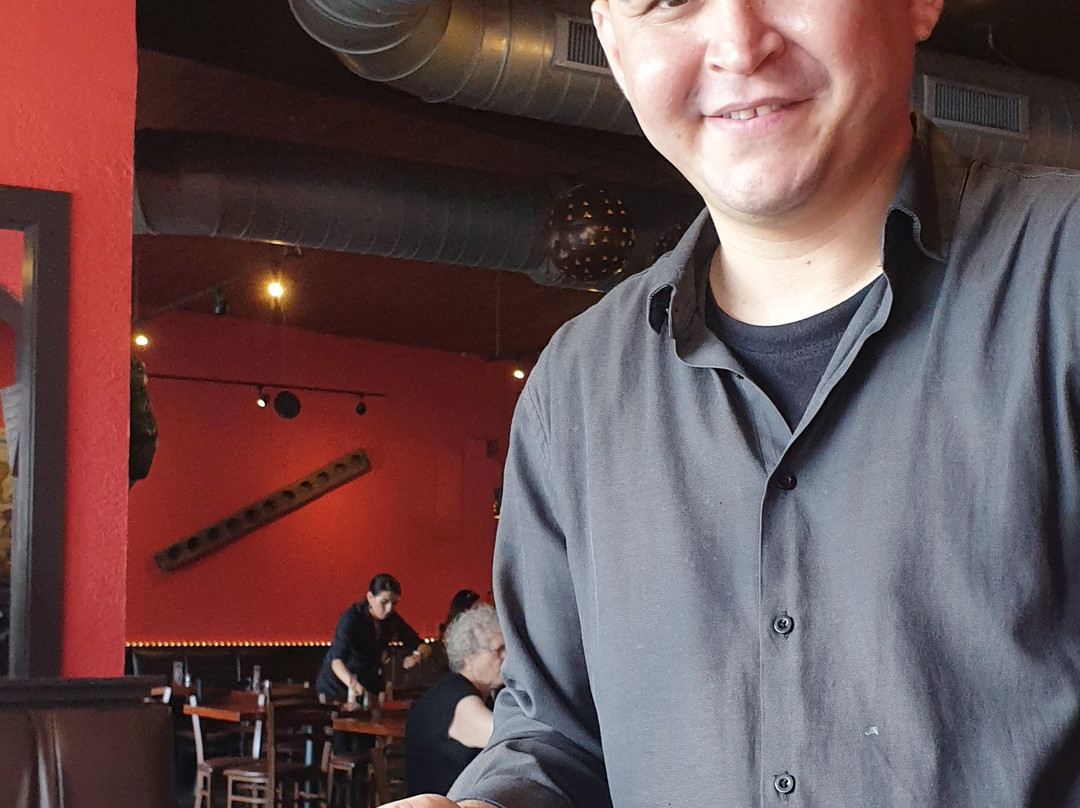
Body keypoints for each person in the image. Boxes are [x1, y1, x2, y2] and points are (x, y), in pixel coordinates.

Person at [386, 0, 1080, 805]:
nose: (740, 45)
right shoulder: (575, 384)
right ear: (614, 41)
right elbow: (555, 736)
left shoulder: (1062, 278)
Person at [405, 605, 504, 797]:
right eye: (498, 650)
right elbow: (509, 738)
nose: (507, 656)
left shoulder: (470, 691)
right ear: (468, 657)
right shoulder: (457, 697)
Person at [315, 573, 427, 703]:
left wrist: (417, 655)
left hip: (367, 680)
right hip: (336, 685)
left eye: (394, 603)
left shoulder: (392, 620)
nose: (389, 609)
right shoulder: (352, 617)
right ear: (370, 597)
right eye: (384, 602)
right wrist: (354, 685)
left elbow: (422, 645)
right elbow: (336, 662)